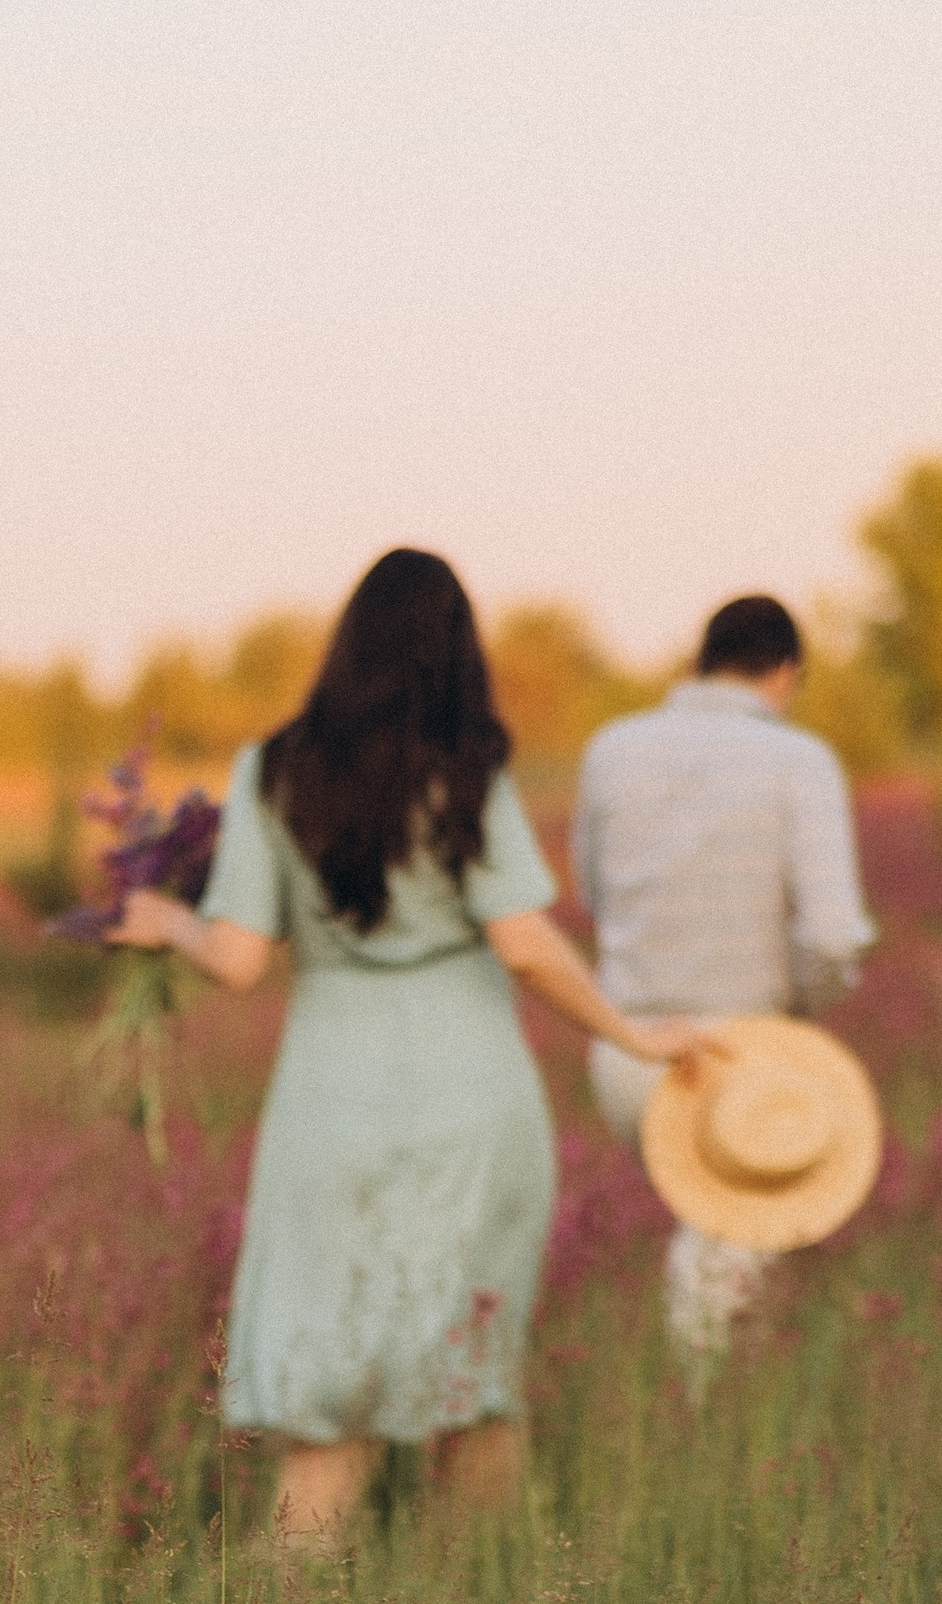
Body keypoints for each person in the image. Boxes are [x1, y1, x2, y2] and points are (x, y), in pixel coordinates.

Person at [114, 548, 703, 1545]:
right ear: (457, 650)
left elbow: (239, 960)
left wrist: (165, 921)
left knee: (326, 1393)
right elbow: (526, 945)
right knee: (474, 1382)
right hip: (472, 1094)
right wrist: (632, 1035)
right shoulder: (466, 768)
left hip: (329, 1103)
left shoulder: (273, 768)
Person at [573, 593, 875, 1367]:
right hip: (744, 1050)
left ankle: (713, 1397)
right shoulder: (799, 761)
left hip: (626, 1048)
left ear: (700, 661)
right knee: (731, 1241)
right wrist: (800, 1012)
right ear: (786, 672)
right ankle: (706, 1413)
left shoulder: (611, 750)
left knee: (723, 1237)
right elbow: (833, 935)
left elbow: (595, 893)